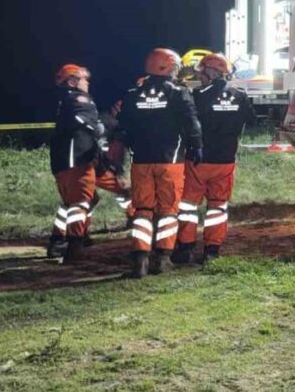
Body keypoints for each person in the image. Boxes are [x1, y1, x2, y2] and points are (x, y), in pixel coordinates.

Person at [117, 48, 203, 278]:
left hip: (141, 161)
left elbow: (123, 129)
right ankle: (163, 258)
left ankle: (140, 260)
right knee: (167, 209)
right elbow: (192, 124)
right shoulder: (178, 93)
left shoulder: (133, 93)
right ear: (167, 67)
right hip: (170, 161)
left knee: (143, 210)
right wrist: (196, 147)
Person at [173, 52, 254, 264]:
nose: (200, 77)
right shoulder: (240, 95)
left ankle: (185, 248)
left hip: (197, 160)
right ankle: (212, 250)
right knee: (218, 206)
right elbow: (250, 120)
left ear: (211, 73)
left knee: (189, 206)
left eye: (202, 73)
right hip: (225, 160)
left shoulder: (197, 96)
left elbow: (186, 124)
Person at [48, 64, 106, 264]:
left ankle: (57, 240)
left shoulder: (63, 100)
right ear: (72, 81)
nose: (87, 82)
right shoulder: (79, 98)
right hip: (77, 160)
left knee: (73, 202)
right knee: (81, 202)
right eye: (83, 79)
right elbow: (88, 122)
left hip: (61, 161)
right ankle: (74, 246)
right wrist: (101, 131)